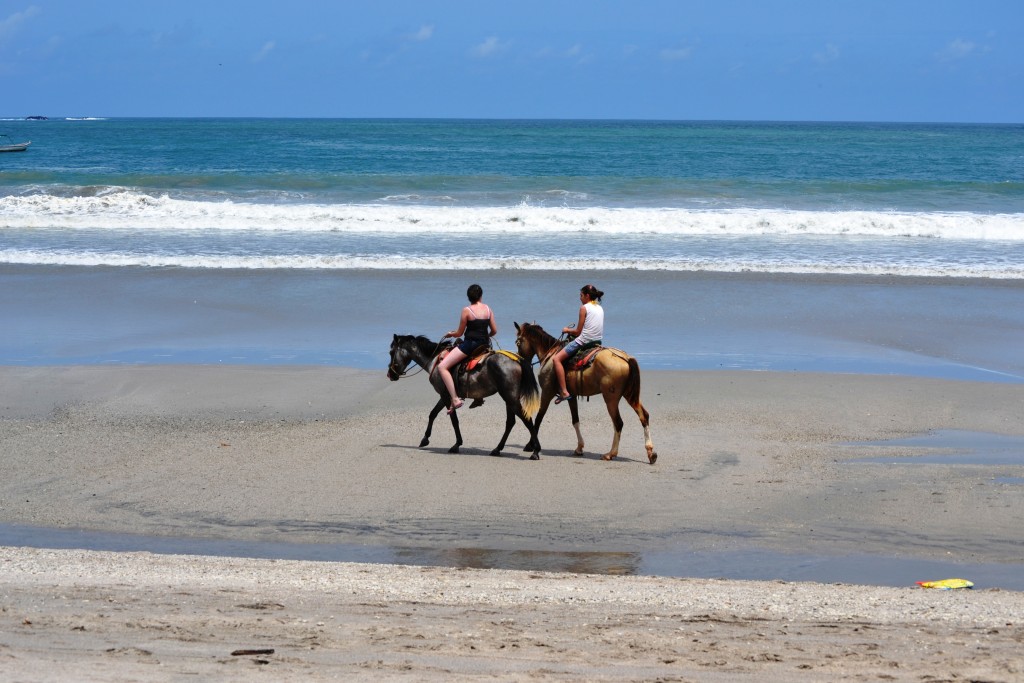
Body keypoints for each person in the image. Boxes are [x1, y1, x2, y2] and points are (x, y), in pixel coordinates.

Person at [437, 284, 497, 413]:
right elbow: (494, 330)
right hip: (484, 344)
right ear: (481, 296)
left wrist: (450, 334)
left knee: (442, 367)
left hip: (470, 345)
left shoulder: (467, 310)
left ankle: (455, 399)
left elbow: (459, 333)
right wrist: (486, 336)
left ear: (469, 297)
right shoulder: (488, 309)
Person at [553, 284, 604, 404]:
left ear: (587, 296)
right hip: (597, 341)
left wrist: (566, 330)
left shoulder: (584, 308)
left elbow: (578, 332)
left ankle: (564, 392)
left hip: (584, 341)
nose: (580, 298)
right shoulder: (599, 307)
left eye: (581, 295)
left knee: (556, 359)